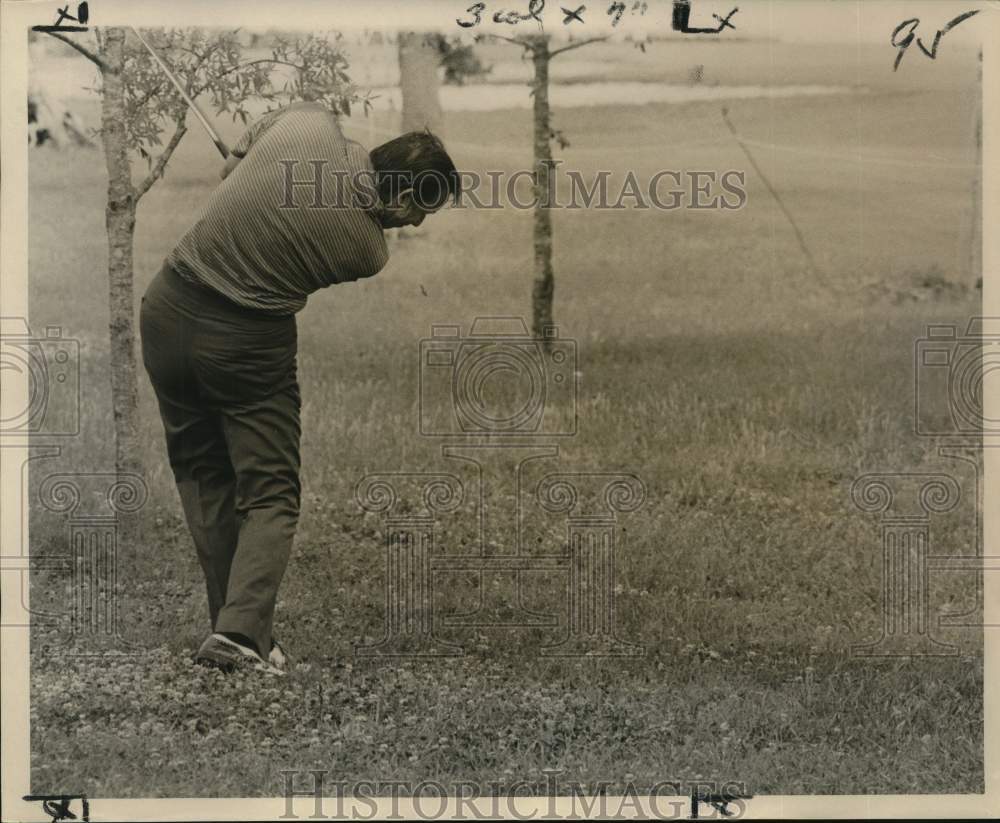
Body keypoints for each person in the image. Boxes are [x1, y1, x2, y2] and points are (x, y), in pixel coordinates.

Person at [140, 101, 460, 674]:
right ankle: (240, 634)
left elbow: (232, 165)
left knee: (205, 475)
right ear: (402, 197)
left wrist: (243, 163)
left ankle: (236, 634)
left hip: (166, 311)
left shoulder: (308, 122)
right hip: (243, 345)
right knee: (270, 493)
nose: (414, 226)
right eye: (420, 211)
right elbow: (348, 218)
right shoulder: (367, 251)